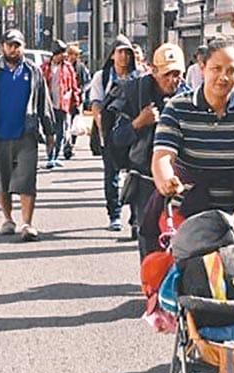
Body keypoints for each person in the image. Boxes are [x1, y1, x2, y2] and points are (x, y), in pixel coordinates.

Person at [152, 37, 234, 215]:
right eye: (216, 69)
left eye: (231, 70)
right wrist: (166, 180)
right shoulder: (177, 107)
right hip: (188, 205)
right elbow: (162, 156)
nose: (223, 77)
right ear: (202, 68)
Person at [0, 29, 56, 241]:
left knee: (28, 179)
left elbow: (43, 102)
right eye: (9, 45)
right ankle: (8, 219)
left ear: (23, 47)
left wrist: (50, 131)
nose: (14, 49)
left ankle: (27, 223)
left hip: (26, 133)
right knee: (3, 179)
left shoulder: (33, 71)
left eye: (17, 45)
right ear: (2, 47)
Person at [104, 43, 189, 257]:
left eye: (177, 74)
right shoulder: (134, 93)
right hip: (145, 178)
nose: (173, 80)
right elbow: (116, 138)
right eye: (167, 74)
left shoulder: (189, 97)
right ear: (154, 70)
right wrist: (138, 123)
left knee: (184, 239)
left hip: (181, 179)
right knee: (149, 239)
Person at [89, 34, 140, 232]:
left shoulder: (139, 76)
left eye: (128, 53)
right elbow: (96, 104)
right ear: (112, 55)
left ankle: (136, 218)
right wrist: (102, 129)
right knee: (111, 175)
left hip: (134, 132)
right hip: (110, 133)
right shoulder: (102, 77)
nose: (124, 57)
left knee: (136, 175)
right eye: (120, 52)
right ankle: (114, 214)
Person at [42, 39, 81, 169]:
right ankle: (50, 156)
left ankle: (55, 156)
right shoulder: (45, 67)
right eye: (61, 53)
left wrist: (76, 101)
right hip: (48, 105)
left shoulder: (68, 68)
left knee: (61, 132)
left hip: (63, 104)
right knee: (49, 131)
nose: (64, 55)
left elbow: (74, 86)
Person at [66, 44, 91, 155]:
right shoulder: (63, 66)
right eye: (71, 54)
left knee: (74, 121)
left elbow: (88, 82)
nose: (73, 57)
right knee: (65, 122)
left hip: (77, 99)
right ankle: (66, 143)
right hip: (65, 99)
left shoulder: (81, 67)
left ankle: (71, 144)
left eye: (75, 55)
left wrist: (82, 90)